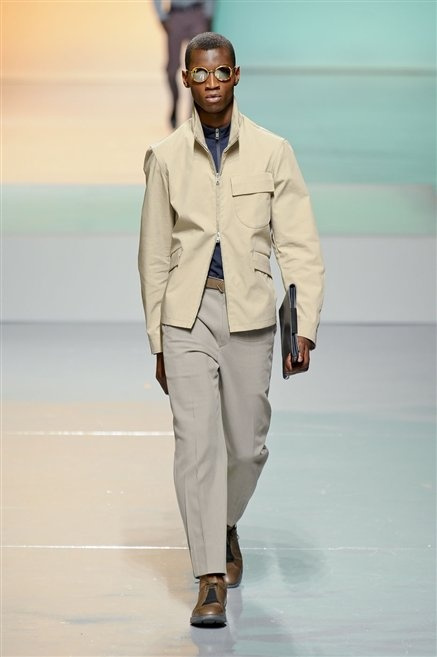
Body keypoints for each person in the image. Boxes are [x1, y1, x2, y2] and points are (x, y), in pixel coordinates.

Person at [138, 32, 324, 627]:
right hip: (187, 314)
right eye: (200, 73)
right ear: (186, 80)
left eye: (221, 72)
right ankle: (209, 577)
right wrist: (159, 340)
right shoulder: (165, 157)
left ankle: (221, 522)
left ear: (237, 75)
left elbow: (298, 245)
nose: (211, 82)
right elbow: (153, 257)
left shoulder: (272, 152)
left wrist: (305, 325)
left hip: (250, 314)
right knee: (196, 444)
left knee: (246, 447)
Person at [153, 1, 214, 128]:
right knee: (171, 69)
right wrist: (161, 16)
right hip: (176, 15)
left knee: (198, 67)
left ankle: (193, 111)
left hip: (197, 14)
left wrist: (208, 15)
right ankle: (175, 101)